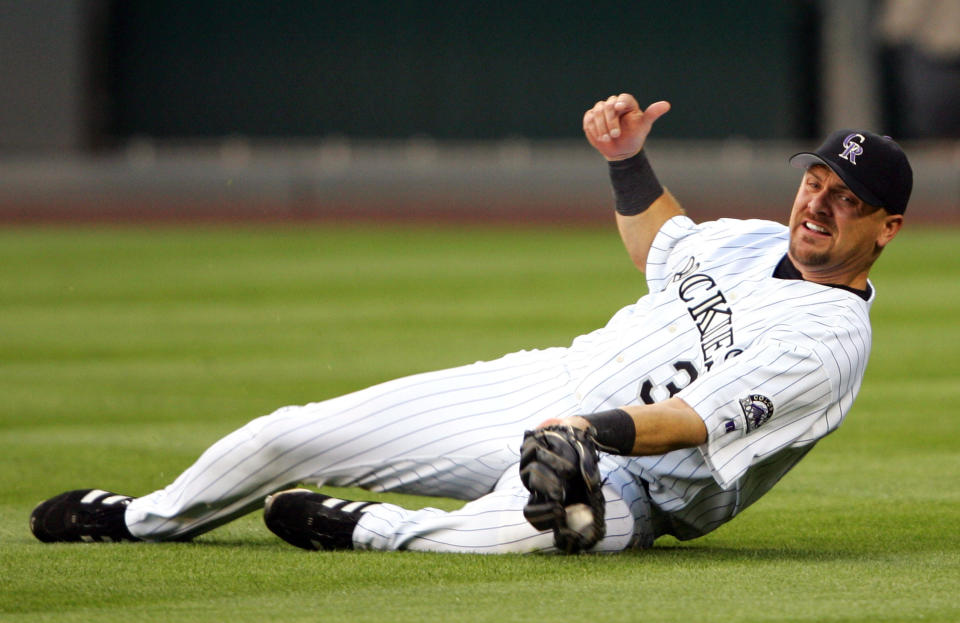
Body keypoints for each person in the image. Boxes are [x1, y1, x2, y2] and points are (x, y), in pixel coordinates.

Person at [30, 93, 912, 553]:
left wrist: (587, 433)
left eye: (848, 199)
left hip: (635, 489)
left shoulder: (829, 343)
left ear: (887, 228)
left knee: (515, 534)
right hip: (539, 386)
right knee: (288, 432)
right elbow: (662, 247)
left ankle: (358, 529)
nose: (819, 204)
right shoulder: (751, 238)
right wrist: (626, 161)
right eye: (817, 182)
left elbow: (691, 421)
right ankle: (144, 517)